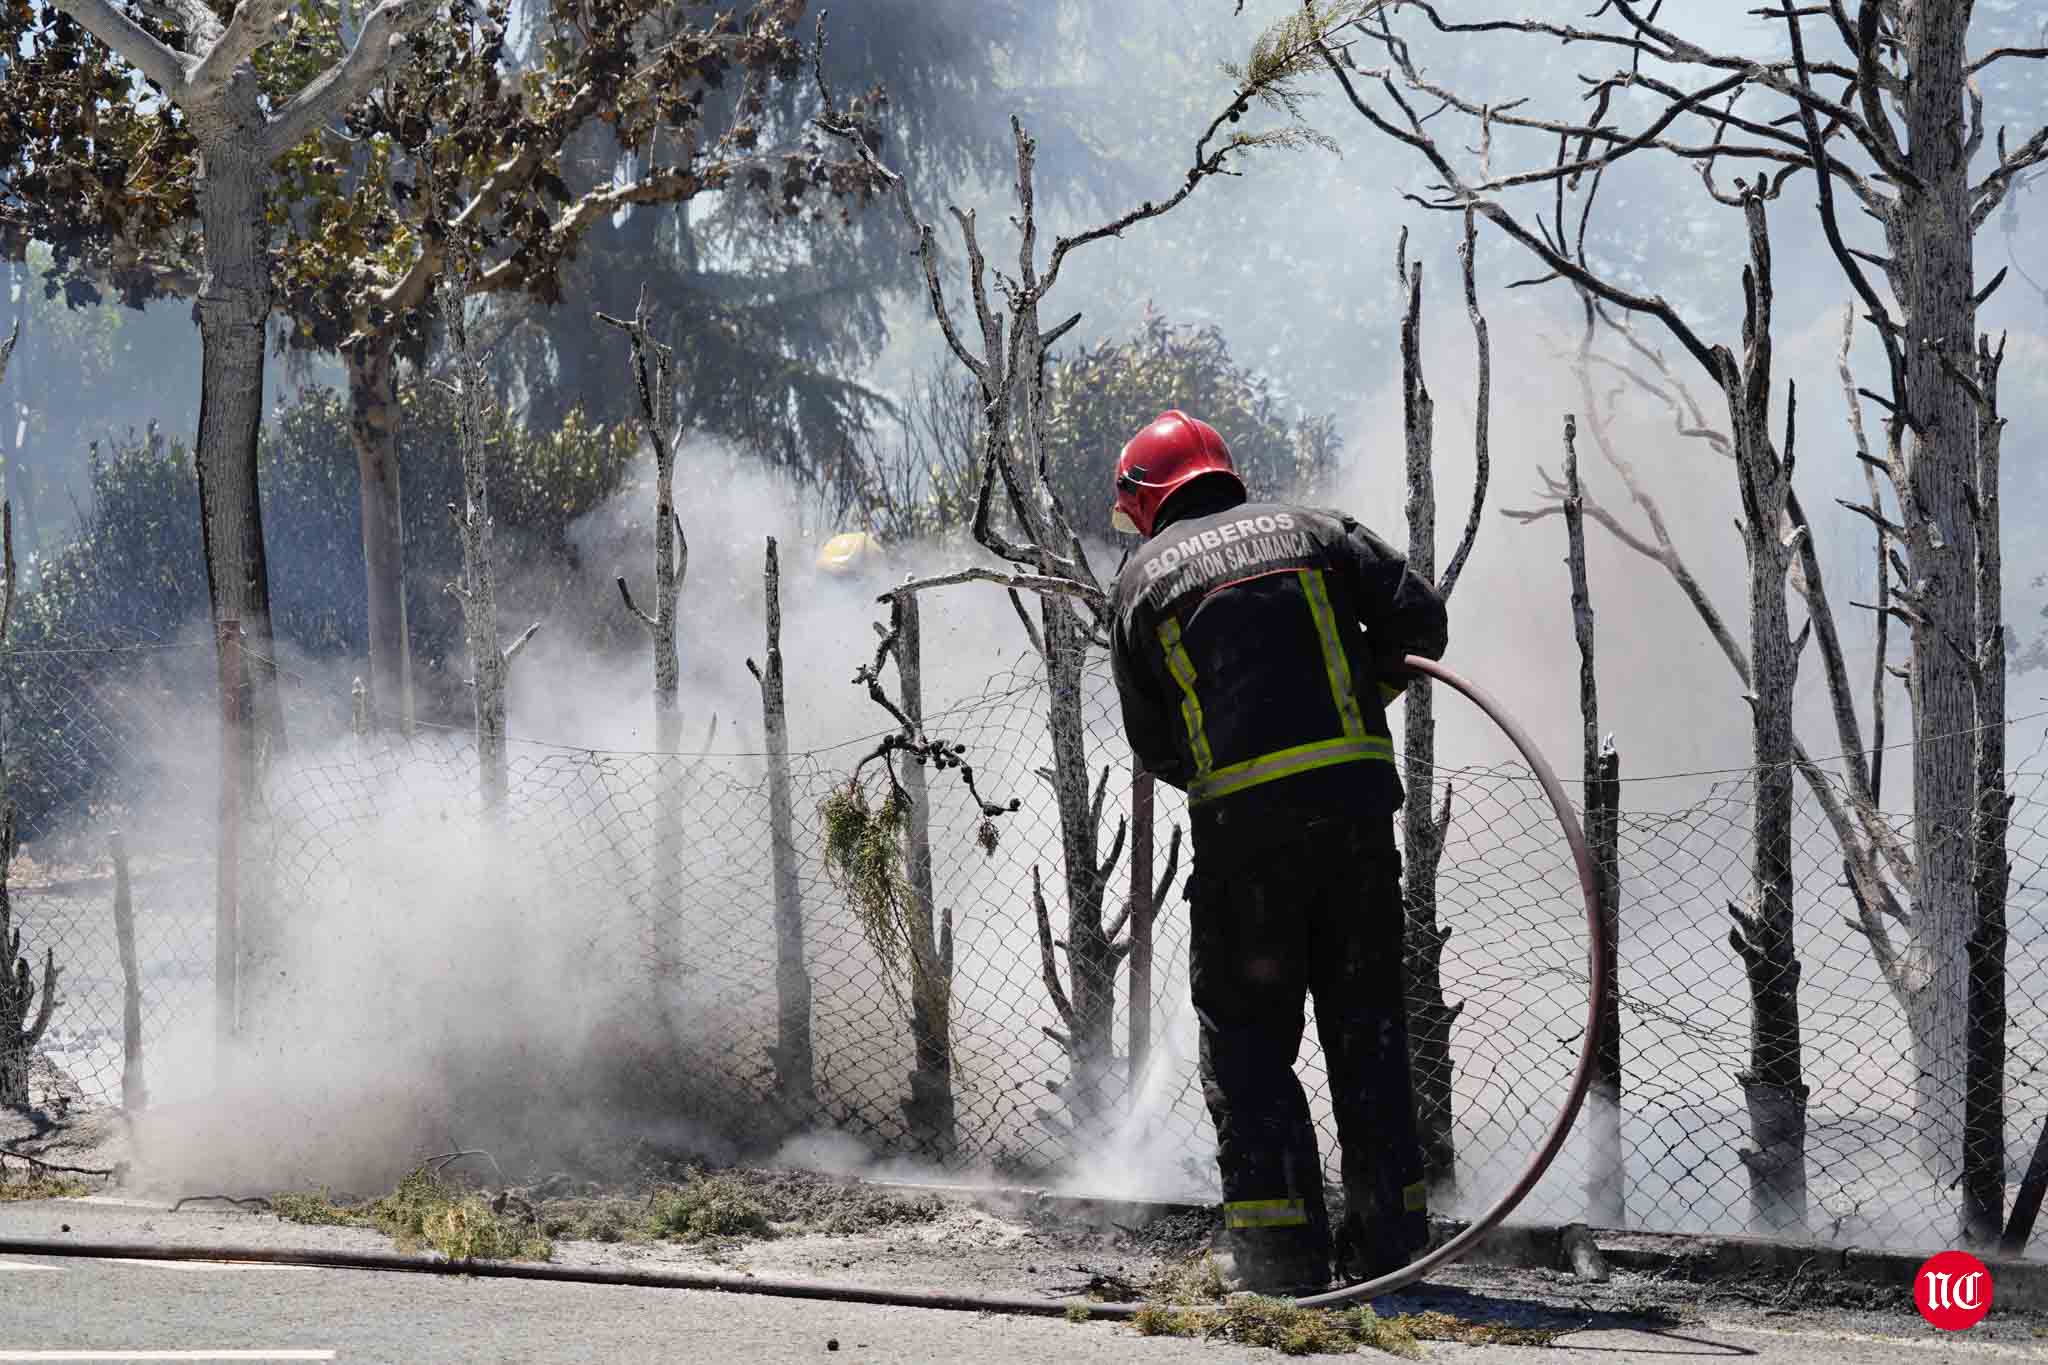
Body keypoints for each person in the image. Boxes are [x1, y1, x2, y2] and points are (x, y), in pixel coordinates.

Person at [1107, 409, 1449, 1295]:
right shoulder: (1317, 530)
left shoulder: (1143, 577)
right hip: (1358, 830)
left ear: (1146, 498)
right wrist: (1360, 695)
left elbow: (1153, 742)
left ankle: (1281, 1265)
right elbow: (1420, 617)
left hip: (1246, 850)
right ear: (1221, 471)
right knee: (1368, 1033)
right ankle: (1393, 1254)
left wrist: (1237, 769)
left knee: (1251, 1046)